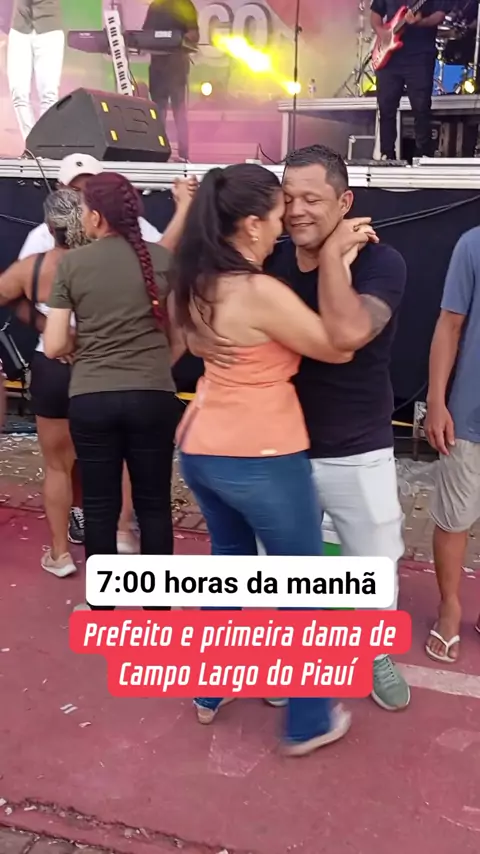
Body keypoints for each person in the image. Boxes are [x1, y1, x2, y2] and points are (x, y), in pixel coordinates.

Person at [189, 145, 410, 711]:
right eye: (288, 198)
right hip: (281, 449)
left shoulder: (382, 262)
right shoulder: (270, 260)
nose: (297, 211)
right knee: (282, 573)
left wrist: (334, 259)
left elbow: (348, 334)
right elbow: (209, 294)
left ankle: (373, 652)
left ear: (345, 201)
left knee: (372, 560)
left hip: (358, 445)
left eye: (313, 198)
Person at [173, 162, 369, 755]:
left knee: (229, 568)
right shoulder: (257, 292)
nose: (287, 225)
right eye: (280, 214)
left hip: (202, 447)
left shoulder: (196, 280)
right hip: (261, 453)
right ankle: (309, 721)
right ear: (253, 224)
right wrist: (334, 260)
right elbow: (338, 345)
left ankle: (210, 689)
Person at [43, 172, 186, 611]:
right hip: (153, 397)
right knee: (154, 503)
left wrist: (83, 346)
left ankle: (101, 606)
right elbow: (182, 339)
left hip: (93, 397)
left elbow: (54, 344)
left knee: (100, 504)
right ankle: (158, 603)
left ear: (95, 216)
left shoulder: (73, 264)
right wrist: (152, 366)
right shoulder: (163, 259)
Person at [0, 189, 88, 577]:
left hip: (52, 366)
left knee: (57, 465)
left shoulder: (33, 268)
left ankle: (60, 553)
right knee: (107, 459)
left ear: (50, 228)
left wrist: (44, 324)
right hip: (98, 367)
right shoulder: (107, 264)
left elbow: (5, 294)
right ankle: (115, 540)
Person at [424, 227, 480, 663]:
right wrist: (436, 401)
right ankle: (449, 608)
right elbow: (450, 323)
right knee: (453, 518)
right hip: (469, 415)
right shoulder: (472, 244)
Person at [19, 153, 163, 259]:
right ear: (60, 188)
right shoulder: (42, 236)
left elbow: (163, 257)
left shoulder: (132, 225)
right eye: (75, 190)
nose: (82, 197)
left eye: (89, 189)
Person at [370, 0, 448, 159]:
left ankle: (423, 154)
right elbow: (375, 14)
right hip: (390, 57)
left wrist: (420, 22)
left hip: (420, 55)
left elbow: (440, 14)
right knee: (386, 107)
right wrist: (381, 31)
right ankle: (387, 154)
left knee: (421, 107)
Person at [143, 0, 199, 162]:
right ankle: (158, 152)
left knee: (179, 111)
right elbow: (145, 34)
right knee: (158, 111)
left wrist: (178, 39)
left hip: (177, 66)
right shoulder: (155, 6)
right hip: (157, 67)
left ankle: (183, 154)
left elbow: (194, 34)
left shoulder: (185, 5)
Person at [8, 0, 65, 143]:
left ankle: (43, 144)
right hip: (20, 29)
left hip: (49, 30)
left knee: (48, 95)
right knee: (18, 93)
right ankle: (32, 144)